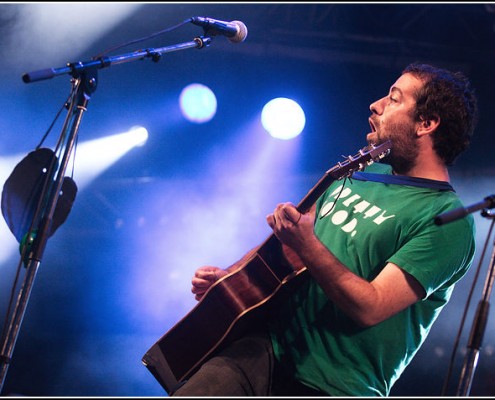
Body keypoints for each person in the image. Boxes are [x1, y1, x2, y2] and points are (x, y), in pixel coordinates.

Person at [171, 63, 479, 396]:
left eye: (394, 99)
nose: (376, 105)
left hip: (334, 386)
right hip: (260, 350)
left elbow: (371, 307)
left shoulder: (449, 219)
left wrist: (307, 245)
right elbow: (291, 243)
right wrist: (232, 280)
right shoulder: (361, 172)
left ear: (426, 123)